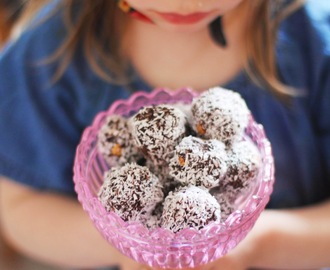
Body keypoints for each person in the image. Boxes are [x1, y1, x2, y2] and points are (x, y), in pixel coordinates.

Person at [0, 0, 330, 269]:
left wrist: (259, 245)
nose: (184, 2)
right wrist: (125, 246)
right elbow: (17, 206)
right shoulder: (47, 54)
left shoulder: (315, 42)